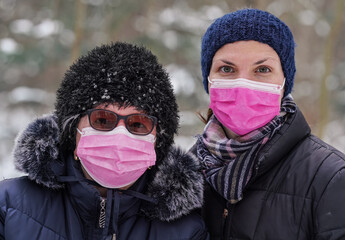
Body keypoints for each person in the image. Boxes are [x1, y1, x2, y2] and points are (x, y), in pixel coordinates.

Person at [0, 42, 209, 239]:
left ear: (158, 141)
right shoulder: (9, 207)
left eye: (137, 124)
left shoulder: (186, 231)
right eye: (102, 120)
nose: (119, 135)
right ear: (73, 131)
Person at [189, 8, 345, 239]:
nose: (243, 84)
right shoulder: (182, 176)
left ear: (283, 82)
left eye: (262, 70)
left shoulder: (335, 180)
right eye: (227, 69)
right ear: (208, 80)